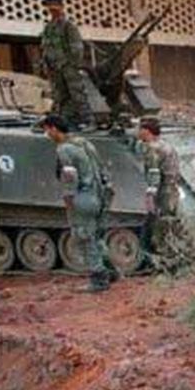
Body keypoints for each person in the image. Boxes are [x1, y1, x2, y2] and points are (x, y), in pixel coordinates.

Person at [41, 114, 116, 292]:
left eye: (47, 130)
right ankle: (111, 271)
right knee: (96, 236)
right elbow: (101, 169)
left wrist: (69, 201)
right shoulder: (84, 143)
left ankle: (99, 279)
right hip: (99, 194)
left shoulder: (64, 149)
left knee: (84, 238)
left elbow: (70, 178)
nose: (47, 134)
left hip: (83, 197)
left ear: (54, 129)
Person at [136, 118, 188, 272]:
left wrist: (150, 195)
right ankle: (174, 259)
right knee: (169, 224)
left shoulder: (153, 148)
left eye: (140, 129)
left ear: (147, 131)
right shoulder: (166, 145)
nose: (138, 132)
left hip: (163, 191)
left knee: (161, 226)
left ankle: (166, 262)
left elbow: (154, 172)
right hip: (172, 190)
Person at [39, 0, 90, 127]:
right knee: (59, 95)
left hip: (68, 66)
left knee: (77, 93)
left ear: (61, 7)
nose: (52, 10)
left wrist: (71, 64)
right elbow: (46, 48)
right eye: (49, 7)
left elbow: (77, 48)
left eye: (54, 7)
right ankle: (64, 119)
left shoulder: (68, 26)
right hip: (54, 67)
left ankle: (87, 120)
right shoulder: (48, 28)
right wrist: (46, 64)